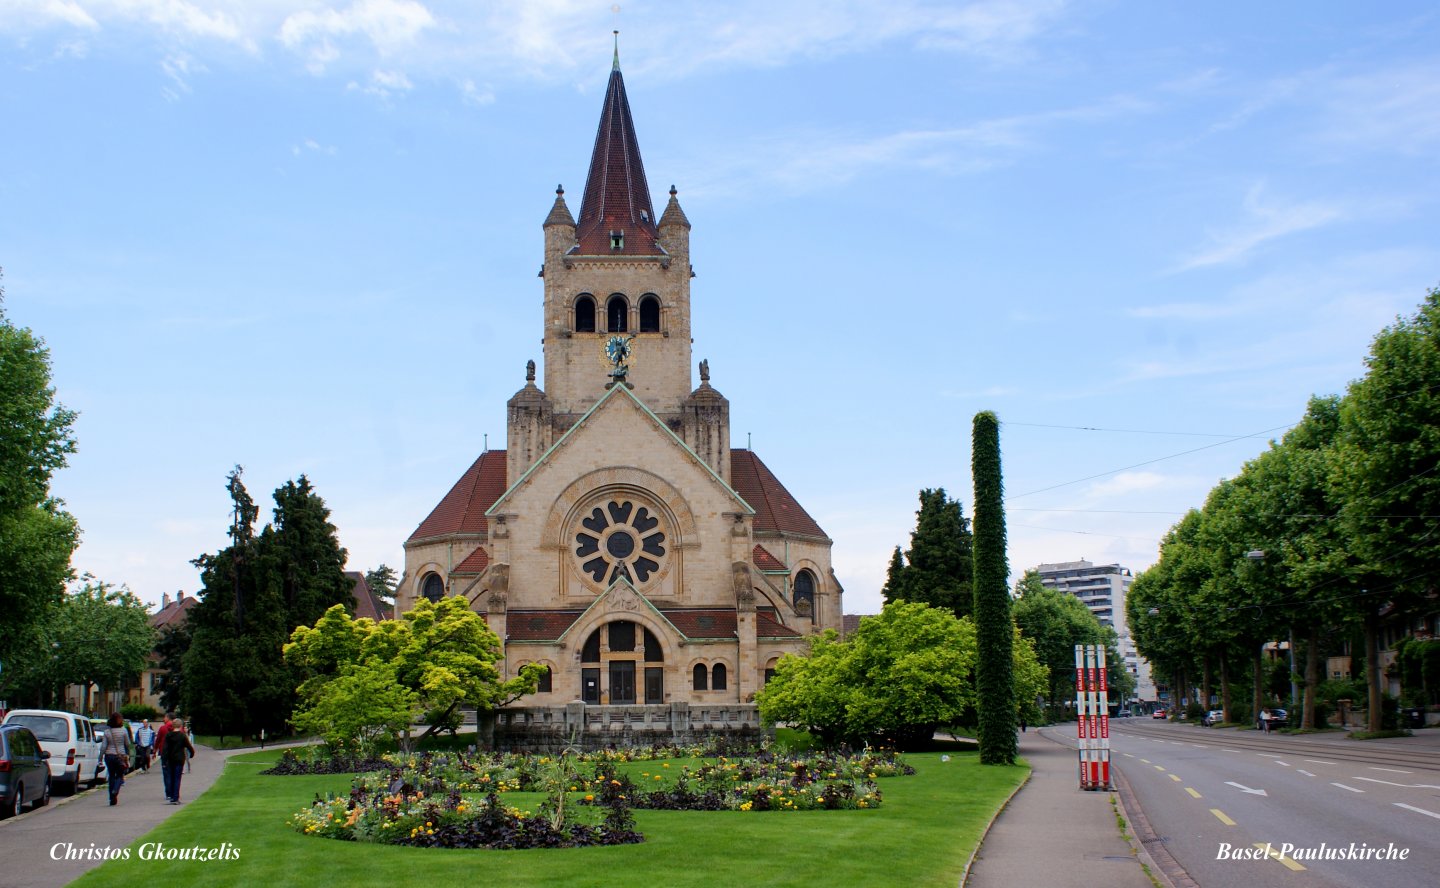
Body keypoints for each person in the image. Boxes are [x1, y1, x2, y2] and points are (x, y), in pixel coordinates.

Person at [160, 721, 196, 804]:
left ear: (173, 726)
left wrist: (164, 760)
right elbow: (188, 746)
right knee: (177, 778)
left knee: (171, 777)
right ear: (180, 726)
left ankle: (172, 796)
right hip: (179, 759)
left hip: (170, 759)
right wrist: (192, 754)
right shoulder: (182, 736)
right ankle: (176, 797)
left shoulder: (168, 735)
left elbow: (165, 749)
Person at [101, 712, 132, 806]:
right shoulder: (124, 731)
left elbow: (103, 746)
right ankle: (115, 790)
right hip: (120, 756)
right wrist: (128, 754)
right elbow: (127, 744)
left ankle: (111, 798)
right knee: (119, 775)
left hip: (109, 756)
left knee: (111, 775)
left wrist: (100, 757)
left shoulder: (107, 732)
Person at [154, 711, 176, 801]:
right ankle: (175, 792)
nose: (164, 719)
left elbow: (158, 740)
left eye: (165, 717)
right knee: (175, 773)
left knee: (167, 774)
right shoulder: (178, 728)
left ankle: (168, 793)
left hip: (165, 753)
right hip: (175, 754)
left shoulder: (163, 728)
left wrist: (155, 749)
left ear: (168, 718)